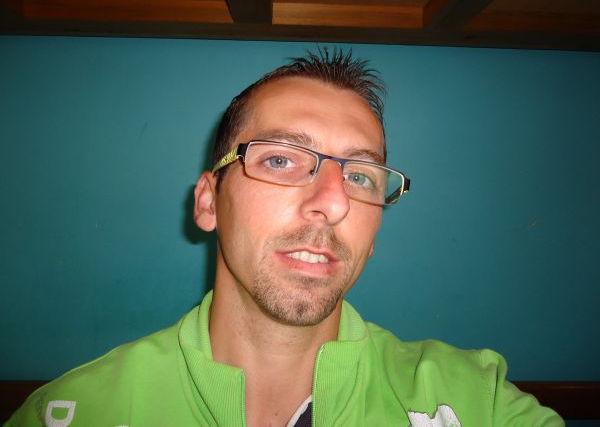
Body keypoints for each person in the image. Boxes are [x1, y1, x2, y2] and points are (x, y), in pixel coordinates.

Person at [6, 49, 563, 427]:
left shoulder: (475, 400)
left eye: (360, 176)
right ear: (208, 202)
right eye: (280, 159)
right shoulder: (73, 412)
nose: (334, 202)